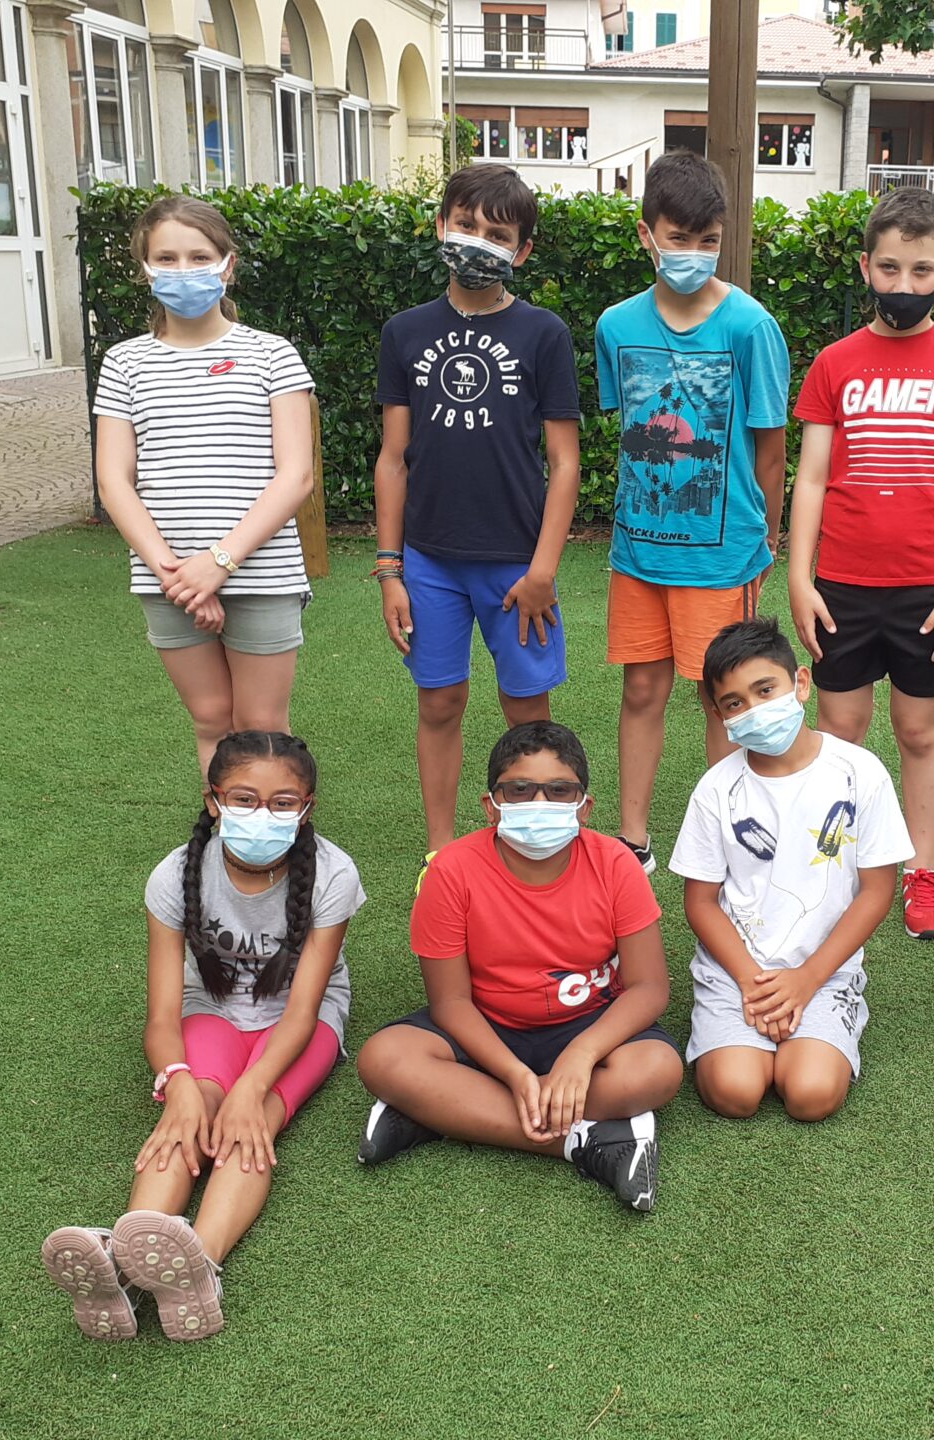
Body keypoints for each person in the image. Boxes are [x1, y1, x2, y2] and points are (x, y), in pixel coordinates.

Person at [40, 731, 366, 1340]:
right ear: (213, 801)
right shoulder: (175, 874)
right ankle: (122, 1262)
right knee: (187, 1119)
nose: (261, 814)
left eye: (281, 803)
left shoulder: (333, 874)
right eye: (243, 799)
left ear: (306, 809)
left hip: (304, 1021)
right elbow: (162, 1019)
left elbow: (302, 1011)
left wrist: (253, 1087)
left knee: (253, 1121)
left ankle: (202, 1264)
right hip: (209, 1010)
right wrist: (181, 1084)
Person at [788, 187, 934, 943]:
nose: (903, 284)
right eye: (888, 268)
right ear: (864, 267)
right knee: (840, 728)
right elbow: (811, 478)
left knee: (918, 730)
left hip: (930, 587)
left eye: (920, 270)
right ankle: (839, 862)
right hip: (843, 584)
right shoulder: (834, 363)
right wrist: (800, 578)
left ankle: (923, 870)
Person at [355, 722, 683, 1212]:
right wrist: (512, 1073)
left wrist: (581, 1054)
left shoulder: (615, 863)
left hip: (589, 1022)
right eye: (520, 790)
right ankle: (586, 1142)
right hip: (487, 1026)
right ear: (491, 805)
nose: (539, 803)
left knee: (657, 1071)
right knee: (384, 1058)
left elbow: (649, 987)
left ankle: (440, 1112)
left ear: (584, 806)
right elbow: (451, 1002)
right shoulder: (451, 870)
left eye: (559, 791)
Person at [374, 164, 582, 877]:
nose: (477, 242)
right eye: (465, 225)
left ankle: (535, 835)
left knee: (528, 711)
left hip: (518, 565)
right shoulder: (405, 332)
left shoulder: (544, 333)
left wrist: (543, 571)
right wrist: (391, 569)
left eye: (497, 234)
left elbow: (565, 462)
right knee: (440, 703)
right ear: (441, 225)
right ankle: (442, 849)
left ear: (522, 250)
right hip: (430, 562)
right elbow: (393, 459)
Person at [594, 150, 793, 875]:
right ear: (646, 234)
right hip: (639, 551)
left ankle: (728, 839)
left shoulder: (750, 326)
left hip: (723, 553)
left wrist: (766, 538)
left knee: (725, 700)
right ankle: (634, 837)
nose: (692, 253)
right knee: (641, 689)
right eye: (678, 238)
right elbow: (629, 431)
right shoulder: (615, 326)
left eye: (708, 240)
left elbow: (771, 448)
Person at [94, 196, 317, 779]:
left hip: (262, 571)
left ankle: (280, 831)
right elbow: (114, 481)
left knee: (261, 725)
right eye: (166, 258)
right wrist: (178, 576)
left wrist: (219, 563)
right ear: (145, 268)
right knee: (212, 719)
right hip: (166, 580)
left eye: (199, 256)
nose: (183, 269)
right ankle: (224, 830)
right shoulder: (123, 364)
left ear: (227, 265)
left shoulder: (272, 355)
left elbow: (296, 475)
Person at [670, 620, 913, 1123]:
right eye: (734, 703)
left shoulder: (860, 773)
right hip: (736, 970)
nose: (754, 710)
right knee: (734, 1091)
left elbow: (876, 892)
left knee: (811, 1094)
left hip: (823, 970)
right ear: (718, 714)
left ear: (801, 683)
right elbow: (700, 902)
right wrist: (751, 982)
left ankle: (826, 1014)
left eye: (766, 690)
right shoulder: (716, 789)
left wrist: (806, 980)